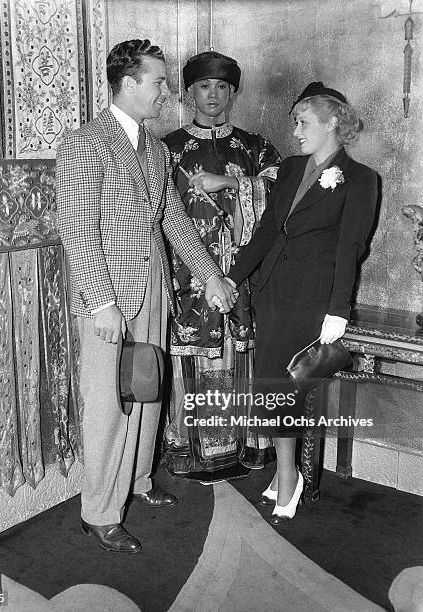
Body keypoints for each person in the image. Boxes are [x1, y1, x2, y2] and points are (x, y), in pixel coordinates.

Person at [56, 39, 237, 553]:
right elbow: (76, 226)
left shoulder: (156, 149)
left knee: (147, 388)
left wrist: (209, 276)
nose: (167, 91)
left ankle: (137, 481)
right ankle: (99, 511)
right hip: (111, 294)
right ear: (128, 83)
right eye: (159, 81)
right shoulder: (86, 142)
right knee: (109, 403)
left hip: (154, 283)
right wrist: (100, 302)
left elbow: (173, 220)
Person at [227, 81, 378, 524]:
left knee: (286, 388)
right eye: (295, 122)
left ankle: (289, 478)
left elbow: (351, 247)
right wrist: (233, 279)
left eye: (303, 122)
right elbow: (268, 232)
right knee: (271, 384)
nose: (295, 131)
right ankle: (286, 471)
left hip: (312, 301)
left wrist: (339, 310)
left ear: (332, 122)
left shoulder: (363, 179)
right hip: (271, 291)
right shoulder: (291, 169)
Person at [162, 51, 281, 481]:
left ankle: (242, 450)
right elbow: (158, 214)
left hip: (243, 273)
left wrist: (230, 182)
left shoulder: (254, 146)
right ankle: (189, 451)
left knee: (240, 352)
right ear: (188, 91)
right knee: (192, 353)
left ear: (233, 92)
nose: (213, 95)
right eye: (204, 86)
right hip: (187, 275)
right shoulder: (168, 148)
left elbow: (282, 197)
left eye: (222, 87)